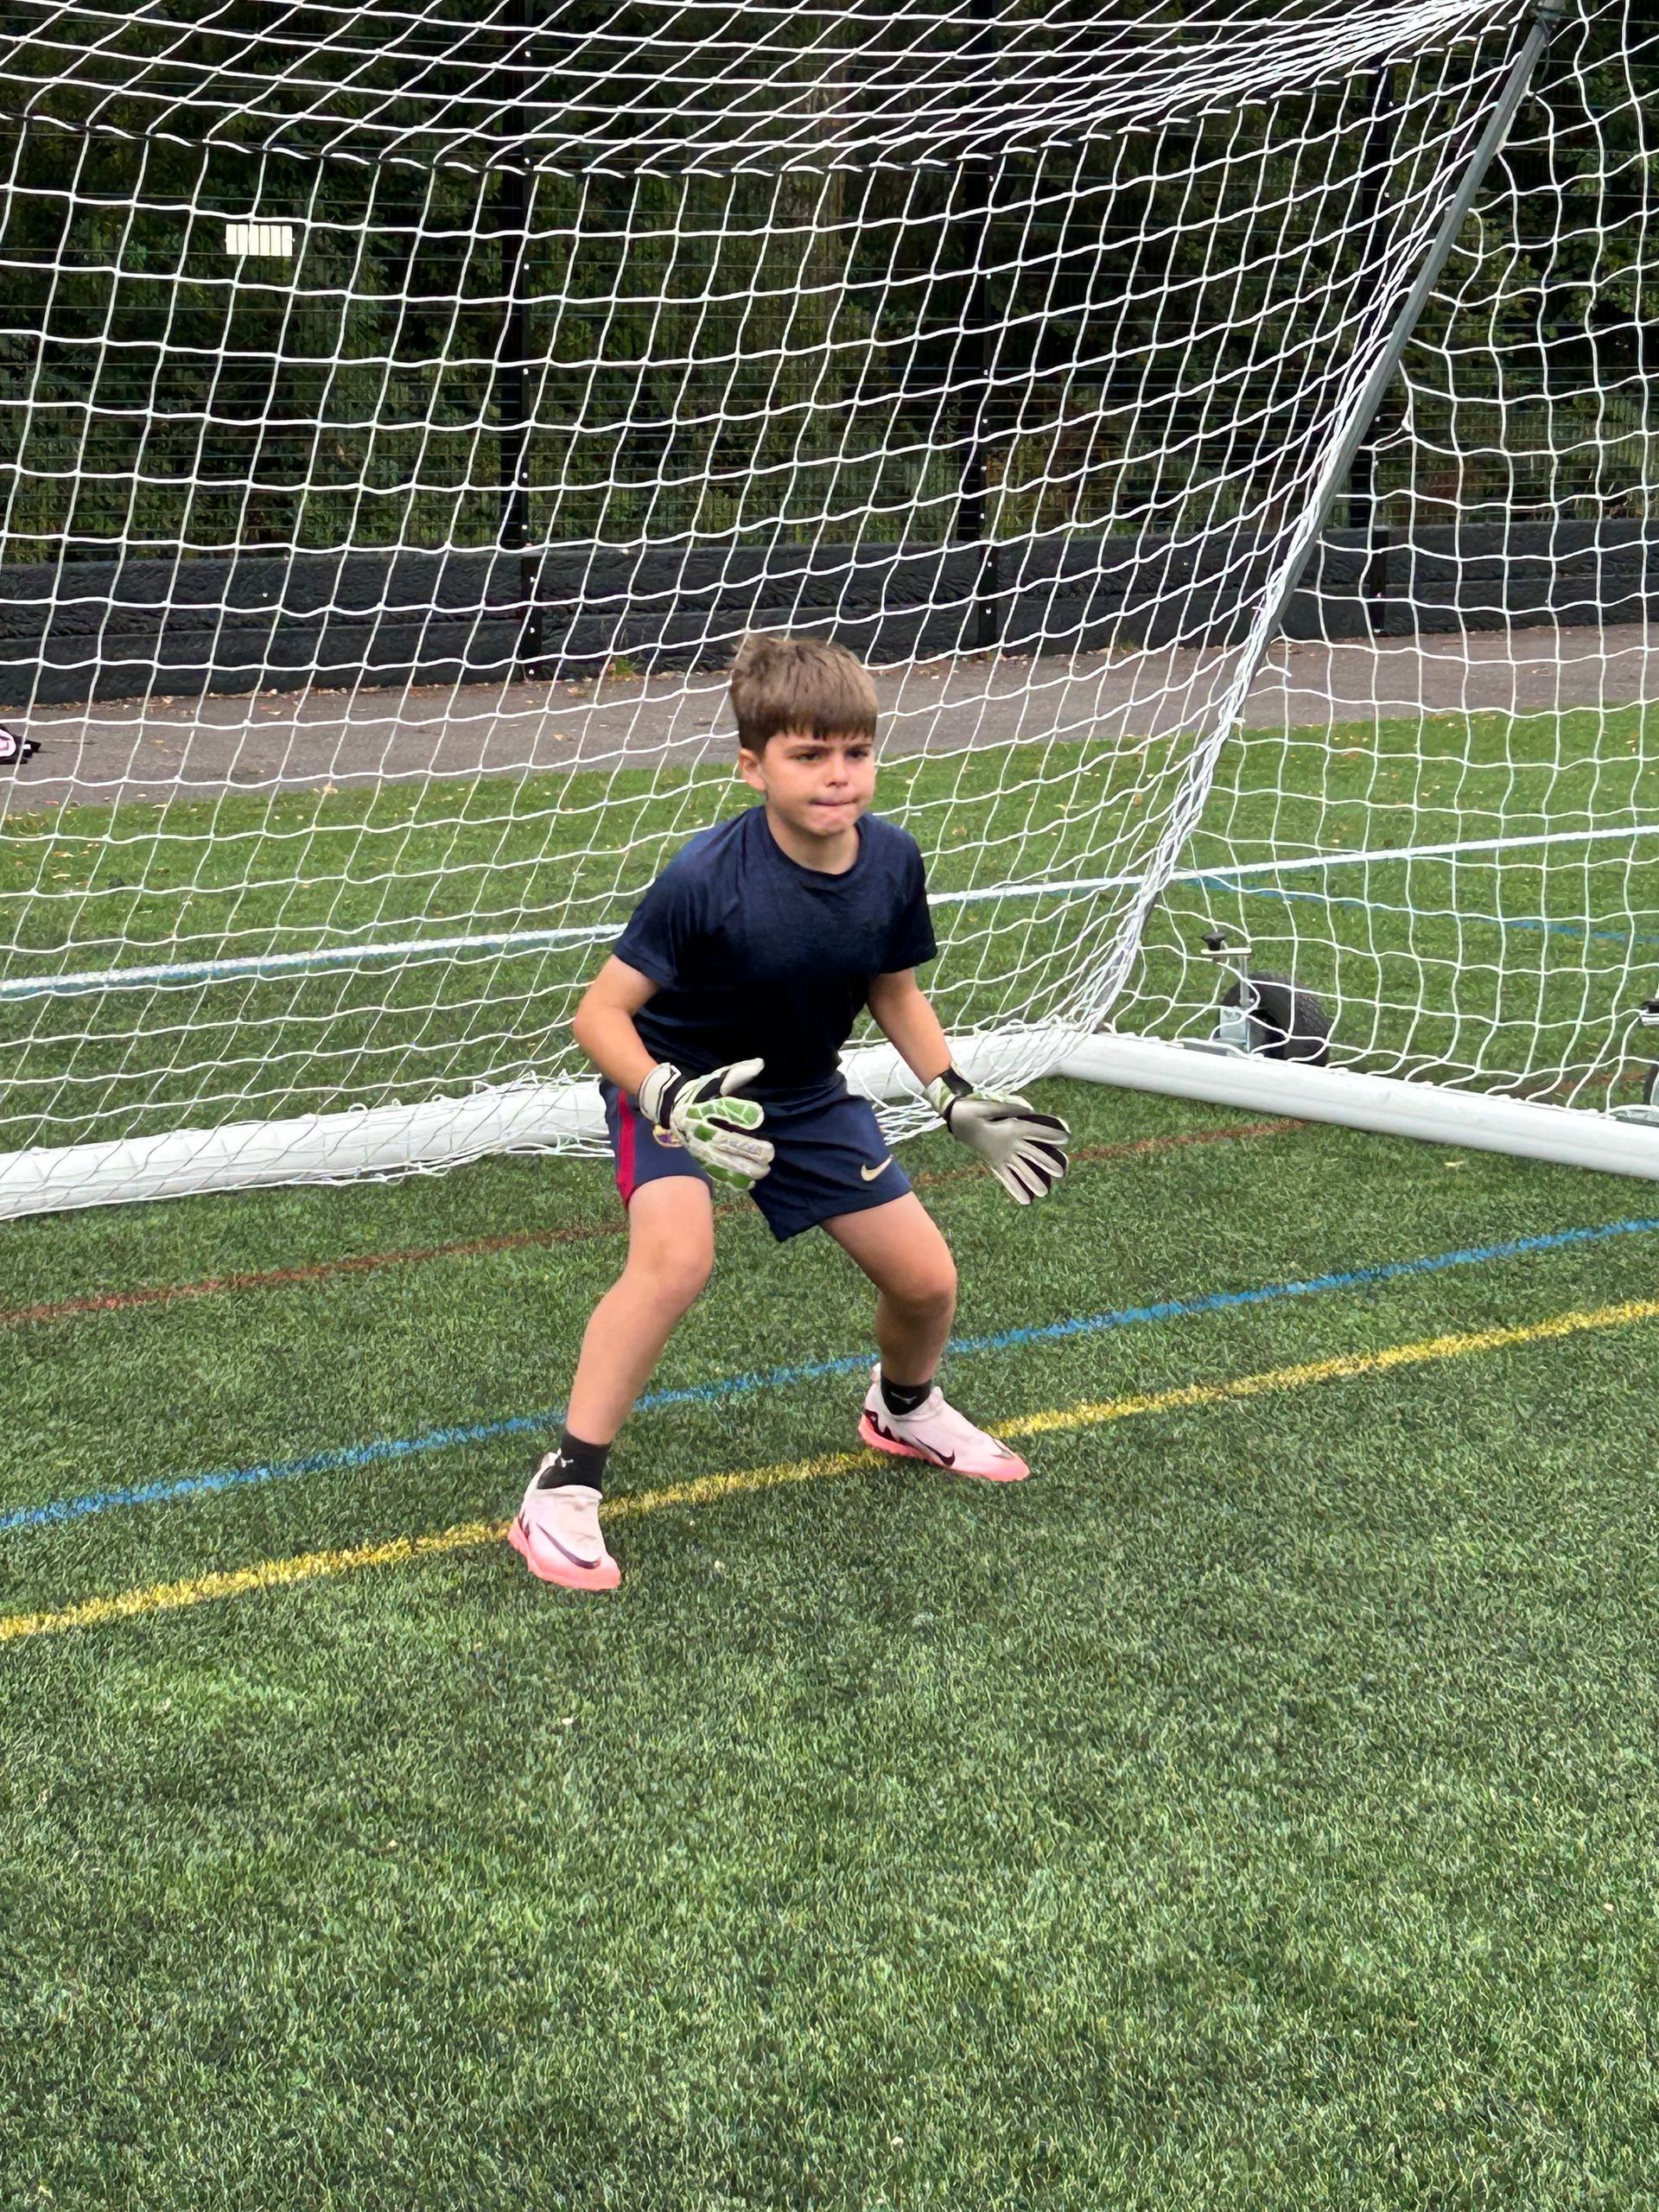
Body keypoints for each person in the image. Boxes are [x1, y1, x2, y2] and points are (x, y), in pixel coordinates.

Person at [510, 633, 1071, 1592]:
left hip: (806, 1096)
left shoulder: (893, 861)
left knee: (928, 1280)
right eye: (808, 755)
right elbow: (598, 1016)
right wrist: (662, 1094)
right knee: (677, 1258)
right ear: (752, 766)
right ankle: (562, 1488)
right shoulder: (704, 877)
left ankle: (901, 1407)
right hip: (682, 1089)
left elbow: (892, 989)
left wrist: (952, 1093)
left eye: (855, 751)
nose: (838, 775)